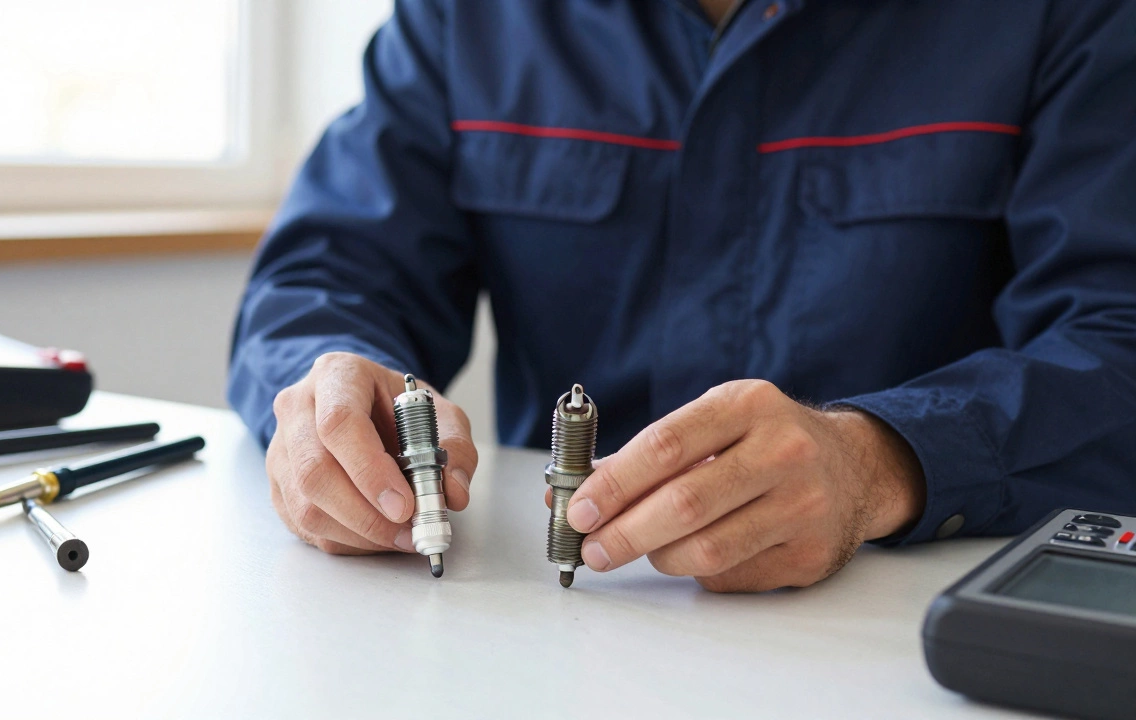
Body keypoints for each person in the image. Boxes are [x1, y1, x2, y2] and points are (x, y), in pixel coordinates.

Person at [228, 0, 1136, 592]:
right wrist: (332, 395)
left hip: (906, 627)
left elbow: (1117, 333)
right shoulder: (464, 18)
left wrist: (880, 461)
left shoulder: (1064, 17)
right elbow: (326, 276)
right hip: (544, 637)